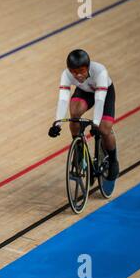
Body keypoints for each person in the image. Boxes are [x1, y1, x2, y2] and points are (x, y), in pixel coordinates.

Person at [48, 49, 119, 180]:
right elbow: (63, 99)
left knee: (104, 129)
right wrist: (57, 124)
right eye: (74, 72)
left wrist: (96, 123)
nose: (78, 75)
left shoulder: (100, 72)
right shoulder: (66, 74)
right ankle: (79, 148)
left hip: (104, 94)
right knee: (74, 114)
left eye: (81, 71)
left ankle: (113, 159)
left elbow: (99, 100)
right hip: (85, 92)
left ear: (88, 67)